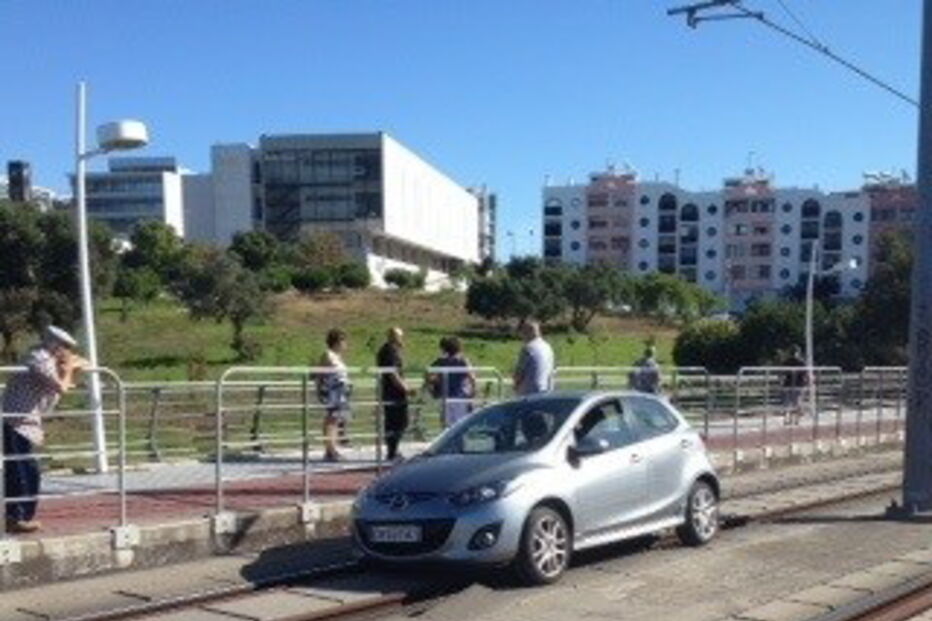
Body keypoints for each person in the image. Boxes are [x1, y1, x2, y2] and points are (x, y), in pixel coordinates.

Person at [2, 326, 85, 533]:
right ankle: (16, 517)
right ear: (55, 345)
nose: (67, 351)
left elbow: (81, 367)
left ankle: (22, 517)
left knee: (30, 471)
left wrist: (72, 367)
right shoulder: (38, 358)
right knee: (20, 470)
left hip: (27, 424)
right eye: (64, 347)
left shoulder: (50, 361)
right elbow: (62, 386)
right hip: (14, 421)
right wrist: (68, 370)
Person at [377, 327, 412, 461]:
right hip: (393, 391)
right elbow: (393, 373)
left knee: (397, 422)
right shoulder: (389, 351)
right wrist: (405, 389)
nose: (401, 339)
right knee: (398, 421)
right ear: (393, 337)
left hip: (393, 390)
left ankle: (393, 450)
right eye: (399, 336)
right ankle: (392, 452)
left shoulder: (392, 350)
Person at [316, 329, 352, 462]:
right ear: (337, 342)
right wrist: (320, 390)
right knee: (331, 419)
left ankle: (333, 448)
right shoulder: (328, 355)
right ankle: (330, 450)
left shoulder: (338, 357)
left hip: (341, 392)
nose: (346, 344)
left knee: (337, 420)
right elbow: (320, 374)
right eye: (343, 341)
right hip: (332, 391)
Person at [427, 337, 476, 428]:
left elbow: (428, 373)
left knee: (447, 427)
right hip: (460, 397)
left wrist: (433, 385)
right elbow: (472, 377)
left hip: (446, 397)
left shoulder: (441, 361)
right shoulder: (462, 360)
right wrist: (472, 392)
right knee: (460, 426)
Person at [512, 321, 555, 396]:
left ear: (528, 332)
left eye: (523, 333)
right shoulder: (548, 347)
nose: (522, 336)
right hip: (545, 391)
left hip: (528, 393)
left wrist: (515, 385)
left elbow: (518, 374)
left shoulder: (528, 348)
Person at [781, 346, 809, 426]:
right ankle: (794, 419)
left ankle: (790, 419)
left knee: (790, 403)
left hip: (792, 385)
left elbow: (781, 374)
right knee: (794, 402)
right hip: (795, 385)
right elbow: (806, 374)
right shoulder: (801, 362)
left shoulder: (787, 362)